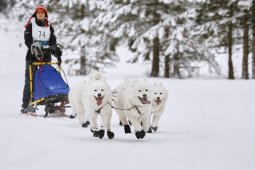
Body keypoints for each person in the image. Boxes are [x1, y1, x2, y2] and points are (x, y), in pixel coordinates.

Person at [21, 5, 62, 113]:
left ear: (45, 14)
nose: (40, 14)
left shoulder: (49, 26)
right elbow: (27, 40)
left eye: (42, 12)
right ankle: (26, 104)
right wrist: (34, 48)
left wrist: (55, 50)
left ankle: (50, 103)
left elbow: (52, 40)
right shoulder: (31, 26)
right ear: (36, 14)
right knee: (29, 80)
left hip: (46, 56)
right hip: (32, 57)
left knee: (47, 79)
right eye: (38, 12)